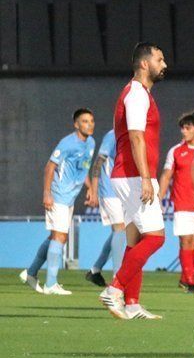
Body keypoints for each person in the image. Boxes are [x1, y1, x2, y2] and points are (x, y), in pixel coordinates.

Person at [98, 43, 168, 320]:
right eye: (160, 59)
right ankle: (114, 289)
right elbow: (137, 137)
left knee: (134, 240)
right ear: (144, 64)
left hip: (126, 175)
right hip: (134, 176)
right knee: (156, 238)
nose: (164, 64)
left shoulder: (138, 93)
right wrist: (147, 178)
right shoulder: (137, 94)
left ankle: (132, 304)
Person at [21, 109, 97, 295]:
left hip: (69, 197)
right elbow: (50, 167)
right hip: (58, 194)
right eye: (85, 121)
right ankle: (51, 284)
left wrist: (90, 188)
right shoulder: (67, 143)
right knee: (60, 237)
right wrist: (47, 193)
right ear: (76, 124)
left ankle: (31, 273)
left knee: (55, 237)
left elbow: (83, 168)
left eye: (91, 121)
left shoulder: (91, 143)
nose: (90, 124)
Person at [158, 112, 194, 294]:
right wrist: (159, 198)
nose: (183, 131)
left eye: (188, 128)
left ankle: (191, 275)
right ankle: (189, 280)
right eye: (182, 127)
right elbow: (166, 175)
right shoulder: (175, 151)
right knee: (186, 239)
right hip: (182, 202)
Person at [84, 129, 127, 287]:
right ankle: (118, 277)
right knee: (120, 228)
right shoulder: (112, 135)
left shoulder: (135, 133)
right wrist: (94, 191)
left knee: (122, 231)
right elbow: (98, 163)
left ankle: (95, 271)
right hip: (109, 190)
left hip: (124, 190)